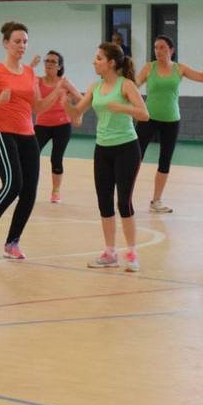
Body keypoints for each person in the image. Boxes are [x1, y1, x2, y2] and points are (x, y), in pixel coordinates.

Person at [0, 21, 66, 260]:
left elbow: (38, 107)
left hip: (27, 134)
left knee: (29, 191)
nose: (22, 46)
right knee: (13, 183)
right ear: (5, 44)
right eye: (17, 41)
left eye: (25, 41)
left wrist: (56, 93)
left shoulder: (29, 73)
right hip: (1, 133)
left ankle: (12, 242)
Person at [65, 43, 149, 271]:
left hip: (126, 149)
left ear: (111, 63)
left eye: (99, 58)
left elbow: (144, 113)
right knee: (104, 201)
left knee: (124, 201)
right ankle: (110, 252)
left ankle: (132, 253)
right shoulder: (94, 87)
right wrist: (65, 102)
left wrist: (122, 109)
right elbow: (76, 114)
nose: (95, 62)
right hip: (102, 150)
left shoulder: (126, 85)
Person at [135, 36, 203, 214]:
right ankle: (125, 196)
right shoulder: (149, 67)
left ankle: (156, 200)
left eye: (162, 47)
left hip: (171, 120)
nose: (158, 51)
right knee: (135, 157)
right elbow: (134, 85)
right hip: (148, 118)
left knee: (165, 161)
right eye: (156, 48)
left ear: (171, 50)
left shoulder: (180, 68)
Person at [33, 50, 81, 204]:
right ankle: (29, 187)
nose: (48, 64)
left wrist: (75, 111)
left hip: (62, 124)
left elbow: (82, 99)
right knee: (31, 156)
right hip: (42, 124)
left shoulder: (64, 82)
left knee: (56, 158)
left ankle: (55, 191)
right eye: (47, 61)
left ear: (59, 66)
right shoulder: (37, 81)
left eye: (53, 61)